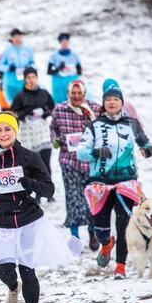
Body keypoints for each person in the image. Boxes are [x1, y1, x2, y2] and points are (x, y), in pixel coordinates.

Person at [0, 112, 76, 303]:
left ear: (15, 131)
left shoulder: (29, 157)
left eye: (8, 129)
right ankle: (13, 288)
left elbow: (49, 188)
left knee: (27, 269)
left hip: (27, 219)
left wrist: (30, 183)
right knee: (4, 269)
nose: (3, 134)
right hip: (2, 220)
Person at [76, 84, 152, 279]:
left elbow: (146, 143)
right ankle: (106, 244)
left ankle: (120, 267)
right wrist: (95, 152)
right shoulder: (94, 126)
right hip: (100, 183)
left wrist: (148, 149)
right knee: (101, 229)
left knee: (123, 224)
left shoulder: (131, 124)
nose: (112, 102)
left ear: (122, 103)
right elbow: (80, 152)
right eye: (108, 99)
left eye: (116, 99)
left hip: (126, 182)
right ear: (103, 104)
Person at [50, 79, 101, 249]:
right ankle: (75, 238)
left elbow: (102, 129)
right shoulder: (60, 109)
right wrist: (56, 140)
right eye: (73, 93)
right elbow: (53, 129)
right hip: (69, 161)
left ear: (84, 94)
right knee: (73, 199)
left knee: (91, 199)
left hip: (90, 162)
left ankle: (93, 233)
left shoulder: (94, 109)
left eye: (79, 93)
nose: (77, 96)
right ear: (68, 94)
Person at [10, 67, 56, 201]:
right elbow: (13, 113)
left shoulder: (44, 93)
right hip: (28, 133)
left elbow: (52, 106)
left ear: (37, 78)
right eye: (28, 77)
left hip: (42, 131)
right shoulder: (20, 96)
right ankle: (35, 193)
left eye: (33, 77)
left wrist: (44, 112)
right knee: (34, 164)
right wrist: (26, 113)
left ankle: (47, 192)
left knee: (46, 162)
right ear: (25, 79)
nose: (31, 80)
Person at [0, 28, 34, 106]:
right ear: (12, 38)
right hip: (11, 81)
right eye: (14, 37)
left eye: (18, 36)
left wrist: (29, 68)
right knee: (12, 102)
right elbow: (0, 66)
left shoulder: (27, 49)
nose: (17, 39)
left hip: (24, 80)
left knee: (27, 101)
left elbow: (33, 63)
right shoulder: (7, 50)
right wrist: (9, 68)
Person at [48, 32, 82, 104]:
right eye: (62, 42)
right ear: (60, 43)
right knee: (60, 103)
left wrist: (73, 70)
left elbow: (79, 70)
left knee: (73, 102)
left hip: (71, 82)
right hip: (59, 84)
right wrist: (58, 68)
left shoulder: (74, 55)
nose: (65, 43)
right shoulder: (54, 55)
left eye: (66, 41)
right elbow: (49, 71)